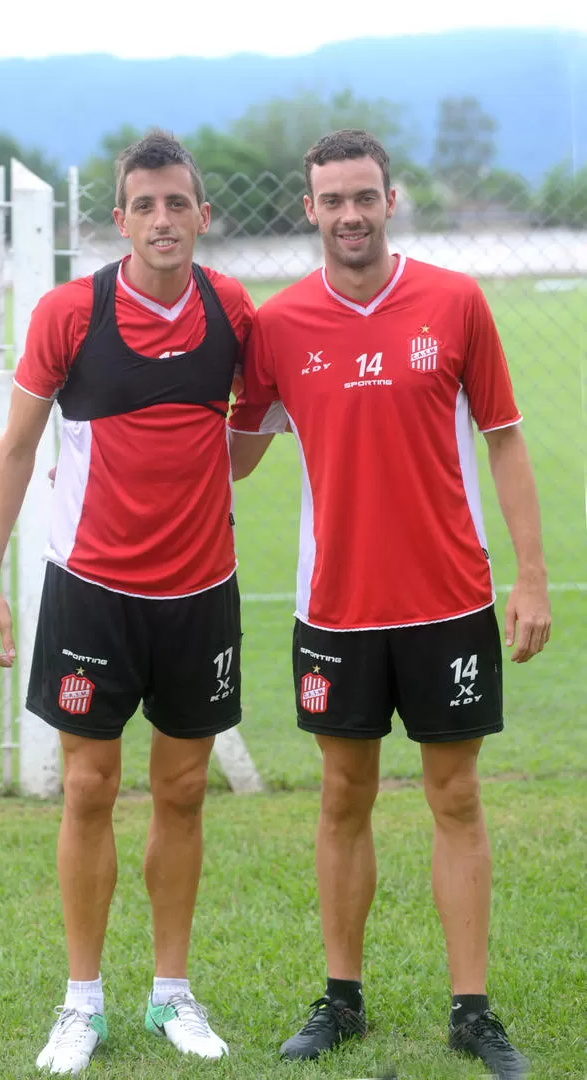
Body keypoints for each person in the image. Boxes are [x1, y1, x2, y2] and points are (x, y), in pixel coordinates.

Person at [228, 129, 550, 1079]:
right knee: (342, 799)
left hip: (449, 600)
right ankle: (341, 1000)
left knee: (456, 797)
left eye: (364, 196)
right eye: (332, 200)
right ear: (309, 209)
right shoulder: (280, 326)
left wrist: (528, 578)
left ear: (391, 198)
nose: (350, 214)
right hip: (336, 608)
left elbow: (506, 439)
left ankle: (472, 1010)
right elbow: (236, 453)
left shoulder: (454, 302)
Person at [0, 129, 255, 1075]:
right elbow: (13, 451)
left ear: (203, 216)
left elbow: (249, 434)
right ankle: (80, 1002)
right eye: (147, 205)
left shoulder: (234, 311)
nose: (164, 220)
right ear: (120, 218)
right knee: (88, 789)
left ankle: (171, 992)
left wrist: (200, 495)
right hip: (90, 592)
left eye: (180, 204)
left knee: (180, 791)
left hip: (202, 593)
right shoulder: (70, 314)